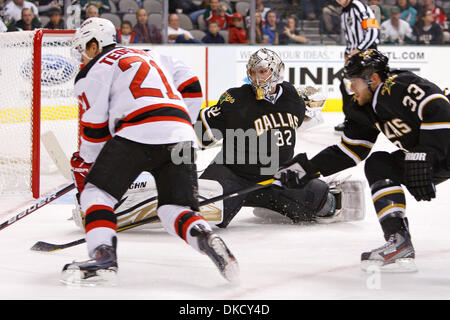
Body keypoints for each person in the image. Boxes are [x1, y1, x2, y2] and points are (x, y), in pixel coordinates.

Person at [62, 17, 238, 285]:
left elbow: (95, 129)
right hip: (180, 135)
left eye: (84, 48)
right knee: (174, 210)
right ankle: (206, 237)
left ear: (96, 44)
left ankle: (103, 257)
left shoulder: (92, 71)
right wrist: (181, 125)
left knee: (97, 193)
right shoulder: (150, 53)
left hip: (137, 132)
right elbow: (191, 85)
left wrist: (86, 162)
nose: (82, 56)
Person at [285, 49, 450, 272]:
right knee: (379, 164)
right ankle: (398, 239)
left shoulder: (398, 86)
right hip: (440, 155)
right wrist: (307, 168)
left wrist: (424, 154)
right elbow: (350, 151)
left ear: (372, 79)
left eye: (354, 81)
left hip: (441, 147)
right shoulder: (363, 107)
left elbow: (439, 108)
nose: (351, 88)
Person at [195, 48, 365, 229]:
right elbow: (200, 134)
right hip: (234, 174)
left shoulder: (294, 97)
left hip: (277, 177)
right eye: (253, 72)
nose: (257, 78)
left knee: (325, 203)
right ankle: (249, 198)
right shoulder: (235, 99)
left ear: (277, 71)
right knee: (202, 212)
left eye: (262, 71)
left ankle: (267, 200)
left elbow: (309, 114)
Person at [334, 0, 380, 134]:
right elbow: (350, 39)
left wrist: (359, 49)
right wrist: (347, 53)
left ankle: (366, 120)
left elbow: (373, 30)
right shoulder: (344, 12)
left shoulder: (360, 7)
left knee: (367, 88)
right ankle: (352, 120)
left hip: (367, 55)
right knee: (347, 87)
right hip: (355, 57)